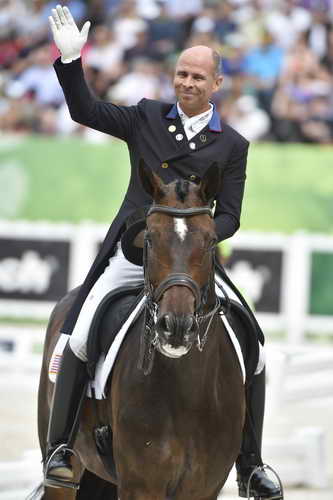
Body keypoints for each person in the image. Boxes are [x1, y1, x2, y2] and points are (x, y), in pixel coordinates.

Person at [45, 5, 282, 499]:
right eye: (181, 73)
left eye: (198, 76)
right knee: (81, 333)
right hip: (133, 258)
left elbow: (231, 215)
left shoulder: (232, 145)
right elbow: (85, 111)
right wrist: (70, 64)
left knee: (254, 348)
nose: (186, 83)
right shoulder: (147, 117)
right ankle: (62, 449)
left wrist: (193, 238)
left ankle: (252, 464)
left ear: (217, 83)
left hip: (191, 267)